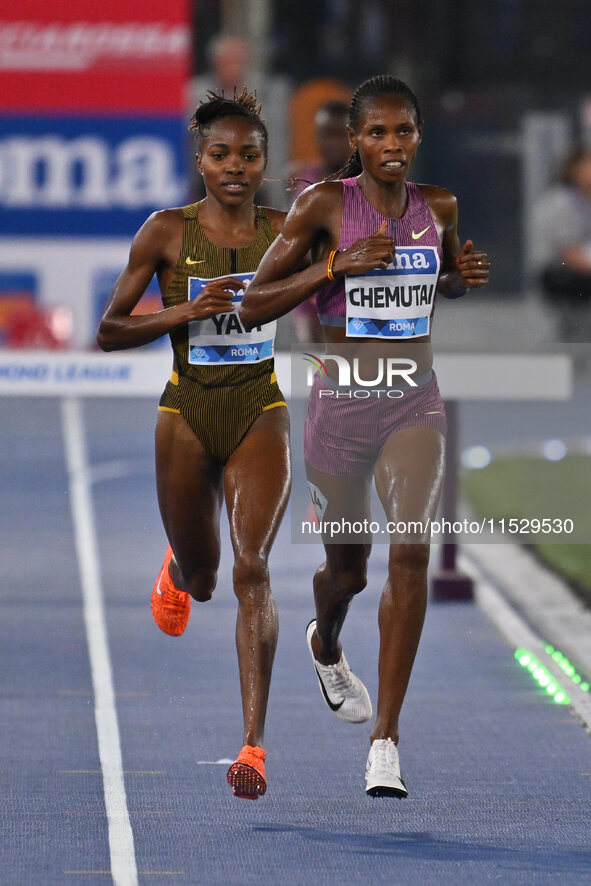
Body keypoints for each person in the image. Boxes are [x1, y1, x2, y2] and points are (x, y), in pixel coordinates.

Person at [240, 75, 490, 798]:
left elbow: (438, 279)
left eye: (402, 131)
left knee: (410, 551)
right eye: (375, 133)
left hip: (414, 402)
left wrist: (458, 279)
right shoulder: (323, 206)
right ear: (353, 142)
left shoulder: (436, 206)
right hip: (342, 410)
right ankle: (326, 641)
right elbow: (254, 301)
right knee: (345, 573)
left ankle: (385, 739)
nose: (390, 145)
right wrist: (332, 265)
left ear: (417, 136)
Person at [97, 89, 291, 800]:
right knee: (209, 578)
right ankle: (179, 568)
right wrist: (186, 308)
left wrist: (443, 271)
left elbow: (355, 267)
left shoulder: (284, 229)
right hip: (184, 412)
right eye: (220, 154)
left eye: (248, 154)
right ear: (199, 159)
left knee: (252, 570)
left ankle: (252, 747)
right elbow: (109, 329)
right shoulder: (166, 233)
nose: (234, 166)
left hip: (258, 410)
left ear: (265, 161)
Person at [288, 101, 351, 342]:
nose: (333, 143)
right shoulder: (303, 182)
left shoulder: (367, 184)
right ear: (317, 136)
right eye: (326, 134)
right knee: (311, 365)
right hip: (309, 294)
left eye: (339, 135)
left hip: (351, 295)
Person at [531, 144, 591, 339]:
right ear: (574, 168)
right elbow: (569, 254)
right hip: (560, 273)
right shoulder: (562, 202)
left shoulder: (585, 202)